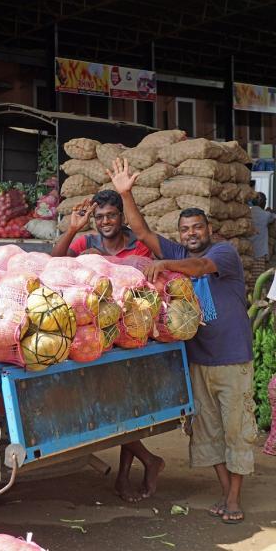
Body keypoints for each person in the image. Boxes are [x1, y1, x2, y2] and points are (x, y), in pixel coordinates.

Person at [107, 157, 256, 524]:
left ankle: (234, 498)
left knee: (236, 430)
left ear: (209, 229)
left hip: (233, 361)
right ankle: (226, 491)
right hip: (199, 363)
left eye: (197, 228)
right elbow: (141, 232)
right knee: (207, 432)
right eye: (185, 229)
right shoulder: (175, 253)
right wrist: (126, 193)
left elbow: (200, 269)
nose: (191, 234)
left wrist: (165, 266)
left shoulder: (224, 254)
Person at [52, 188, 165, 502]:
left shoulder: (140, 247)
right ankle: (142, 465)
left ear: (121, 216)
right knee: (116, 407)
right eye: (99, 217)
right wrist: (72, 227)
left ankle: (127, 475)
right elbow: (52, 264)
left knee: (127, 407)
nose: (105, 222)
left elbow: (151, 286)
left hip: (131, 338)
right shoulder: (84, 244)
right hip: (93, 338)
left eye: (111, 215)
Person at [249, 192, 276, 288]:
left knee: (249, 278)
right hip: (259, 252)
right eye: (265, 201)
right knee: (258, 282)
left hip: (248, 252)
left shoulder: (247, 212)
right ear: (262, 202)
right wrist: (271, 211)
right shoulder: (265, 215)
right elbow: (273, 217)